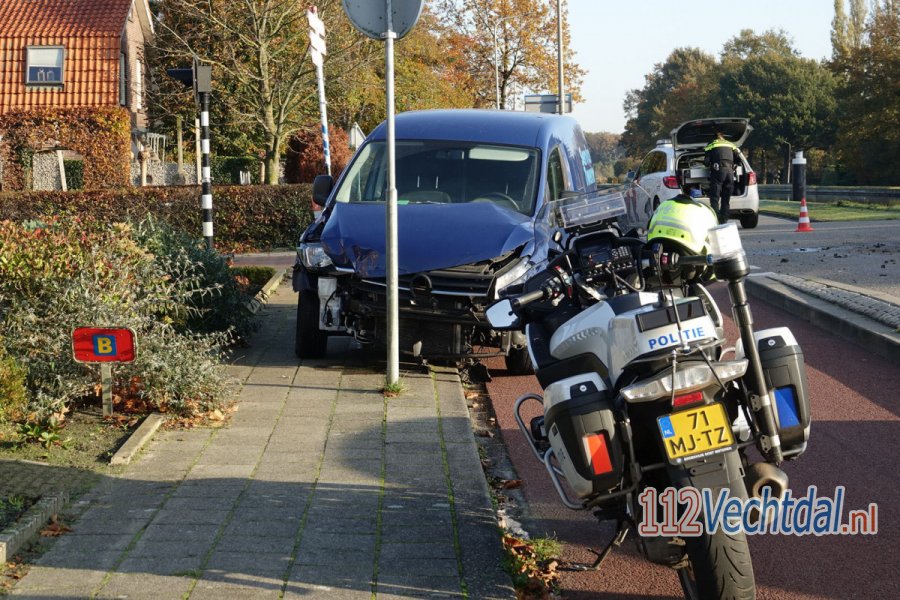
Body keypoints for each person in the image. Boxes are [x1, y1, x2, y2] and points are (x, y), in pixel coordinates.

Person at [704, 132, 739, 224]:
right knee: (726, 198)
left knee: (715, 197)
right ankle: (724, 219)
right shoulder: (731, 144)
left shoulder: (711, 144)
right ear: (723, 137)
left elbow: (706, 162)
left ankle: (717, 219)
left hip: (718, 172)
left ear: (714, 138)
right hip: (730, 173)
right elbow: (738, 159)